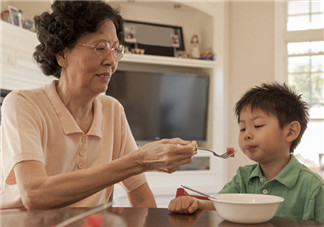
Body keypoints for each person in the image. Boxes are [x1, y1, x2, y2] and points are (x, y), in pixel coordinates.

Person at [0, 0, 197, 210]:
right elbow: (34, 195)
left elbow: (140, 198)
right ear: (62, 54)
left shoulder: (112, 110)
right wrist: (138, 161)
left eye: (115, 49)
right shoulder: (23, 104)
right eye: (100, 48)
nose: (111, 60)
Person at [168, 83, 324, 223]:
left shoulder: (313, 187)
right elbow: (221, 204)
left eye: (257, 125)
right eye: (242, 128)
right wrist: (196, 203)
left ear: (290, 132)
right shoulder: (243, 177)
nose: (246, 135)